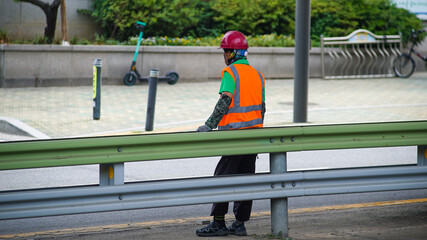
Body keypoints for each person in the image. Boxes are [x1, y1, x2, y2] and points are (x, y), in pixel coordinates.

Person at [195, 30, 266, 237]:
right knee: (246, 178)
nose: (224, 55)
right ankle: (239, 223)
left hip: (234, 136)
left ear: (233, 53)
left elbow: (225, 100)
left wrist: (209, 125)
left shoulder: (230, 73)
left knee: (222, 178)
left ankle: (218, 223)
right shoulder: (258, 75)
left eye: (225, 51)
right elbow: (262, 109)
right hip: (253, 136)